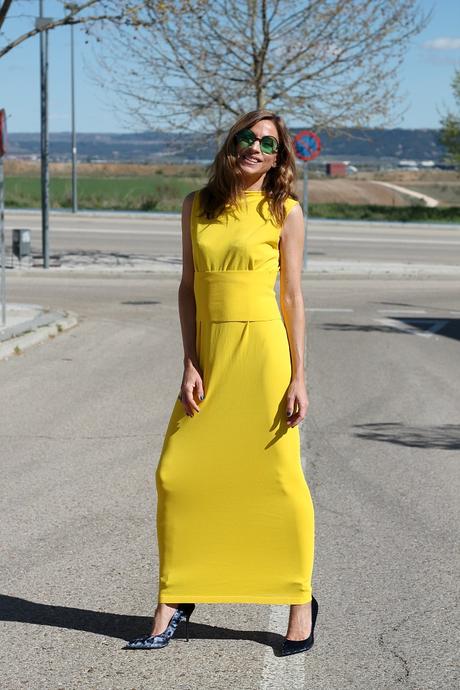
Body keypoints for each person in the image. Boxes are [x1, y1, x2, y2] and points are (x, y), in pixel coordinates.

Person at [126, 109, 318, 656]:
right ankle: (177, 594)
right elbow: (187, 288)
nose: (255, 148)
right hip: (211, 355)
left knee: (280, 480)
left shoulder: (285, 211)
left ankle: (298, 600)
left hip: (263, 355)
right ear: (230, 144)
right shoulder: (197, 207)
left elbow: (293, 298)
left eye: (268, 144)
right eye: (246, 138)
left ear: (280, 158)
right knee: (177, 473)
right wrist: (190, 359)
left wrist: (299, 375)